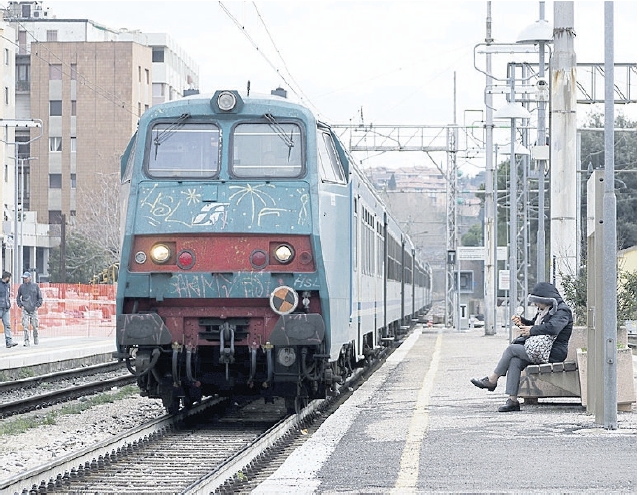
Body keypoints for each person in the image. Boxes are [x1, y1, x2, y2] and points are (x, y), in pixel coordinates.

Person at [470, 282, 573, 412]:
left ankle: (492, 380)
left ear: (546, 299)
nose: (536, 305)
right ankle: (512, 400)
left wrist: (531, 330)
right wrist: (522, 322)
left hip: (553, 353)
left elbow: (553, 328)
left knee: (512, 349)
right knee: (515, 361)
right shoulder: (544, 310)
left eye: (538, 302)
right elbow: (535, 325)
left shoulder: (563, 310)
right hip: (538, 350)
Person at [16, 271, 43, 346]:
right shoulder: (21, 287)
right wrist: (20, 305)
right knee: (25, 325)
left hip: (33, 308)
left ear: (30, 278)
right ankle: (26, 341)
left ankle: (36, 338)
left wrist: (37, 306)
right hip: (25, 309)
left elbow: (40, 297)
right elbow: (18, 297)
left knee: (35, 325)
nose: (25, 279)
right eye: (24, 278)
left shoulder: (35, 286)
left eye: (26, 278)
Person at [1, 271, 18, 348]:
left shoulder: (7, 285)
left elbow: (6, 296)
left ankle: (9, 342)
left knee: (7, 325)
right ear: (6, 277)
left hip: (6, 308)